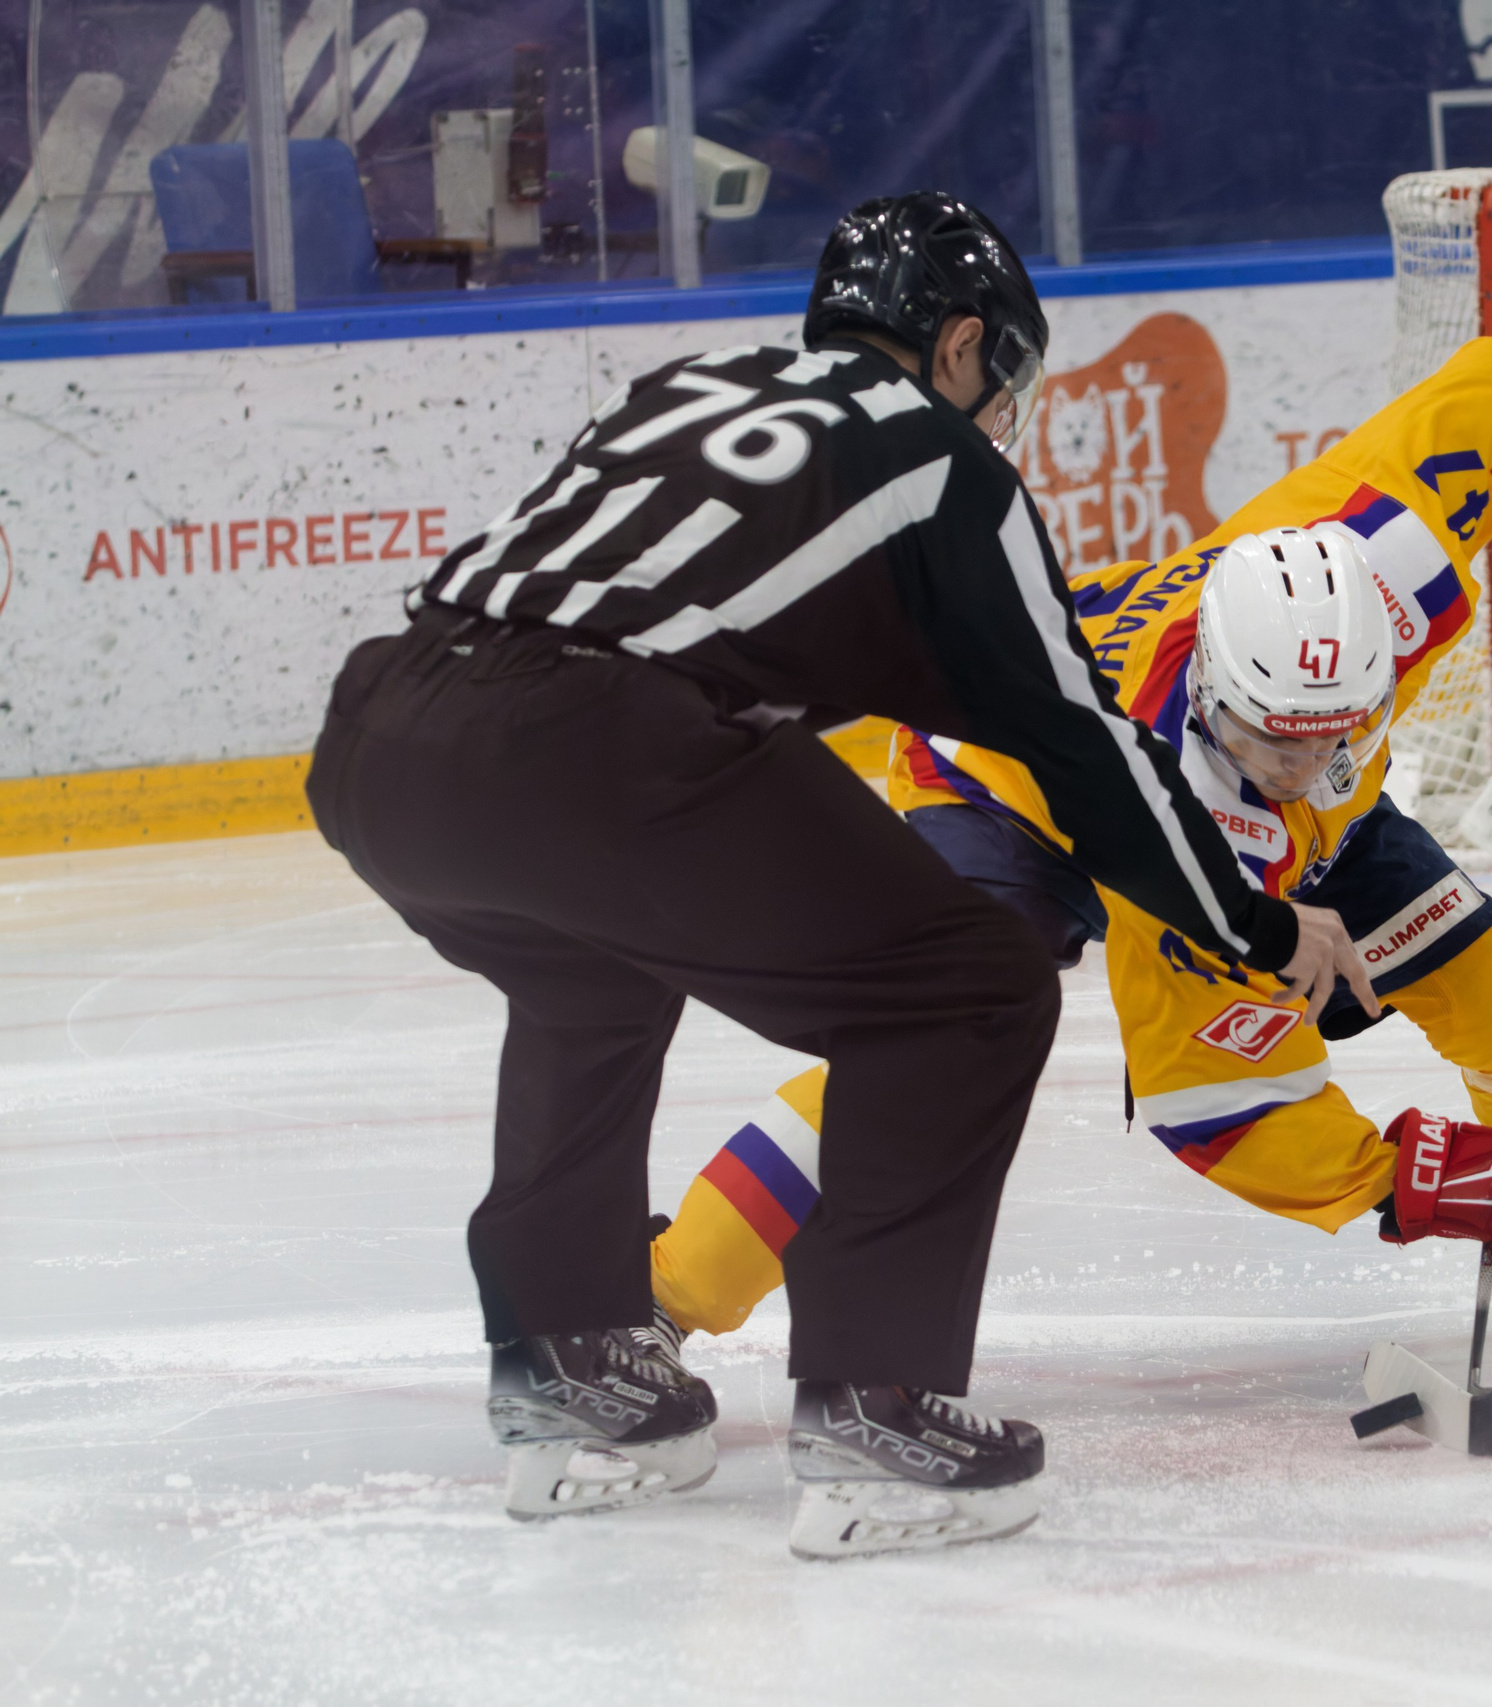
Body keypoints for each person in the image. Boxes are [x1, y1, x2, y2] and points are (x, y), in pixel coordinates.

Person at [304, 192, 1376, 1560]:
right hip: (592, 743)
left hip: (385, 729)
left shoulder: (685, 388)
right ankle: (878, 1402)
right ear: (961, 346)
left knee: (590, 973)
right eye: (1004, 380)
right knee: (969, 987)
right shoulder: (944, 466)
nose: (1000, 413)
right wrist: (1255, 919)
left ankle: (567, 1356)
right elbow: (1081, 747)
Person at [644, 332, 1492, 1361]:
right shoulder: (1182, 811)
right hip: (1008, 787)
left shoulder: (1385, 562)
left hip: (1269, 823)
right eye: (1272, 742)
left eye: (1336, 734)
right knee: (927, 1045)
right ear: (1214, 689)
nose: (1304, 762)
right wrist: (1389, 1179)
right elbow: (1205, 1100)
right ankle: (663, 1292)